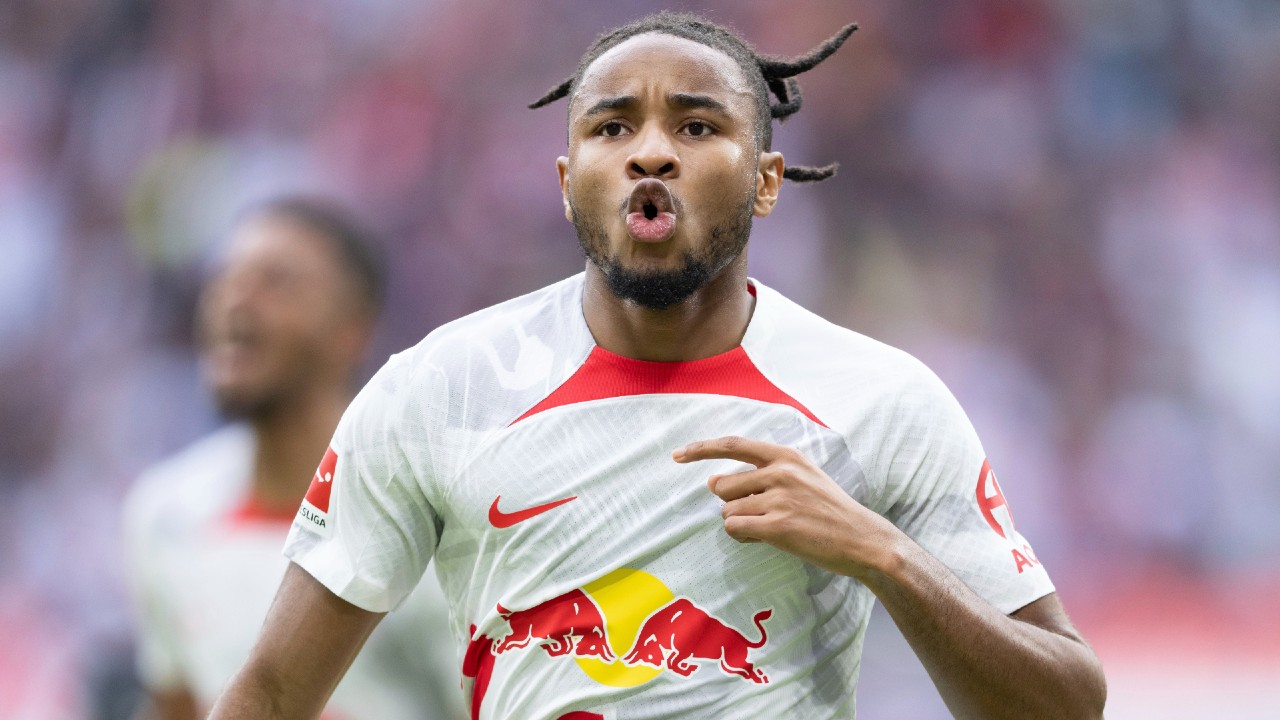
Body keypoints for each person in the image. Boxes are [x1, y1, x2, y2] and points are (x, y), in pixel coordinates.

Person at [211, 13, 1107, 720]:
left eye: (696, 123)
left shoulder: (879, 400)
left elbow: (1068, 703)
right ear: (567, 180)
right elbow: (272, 696)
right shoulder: (439, 388)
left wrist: (883, 555)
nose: (650, 149)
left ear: (764, 180)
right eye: (612, 125)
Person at [123, 197, 466, 720]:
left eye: (275, 282)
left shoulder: (436, 520)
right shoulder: (165, 515)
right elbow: (176, 706)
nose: (235, 301)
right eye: (224, 280)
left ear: (352, 331)